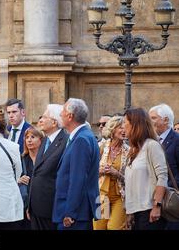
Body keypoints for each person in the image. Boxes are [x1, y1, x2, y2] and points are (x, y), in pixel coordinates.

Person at [53, 98, 100, 230]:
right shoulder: (83, 136)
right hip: (76, 212)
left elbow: (78, 179)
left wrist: (70, 212)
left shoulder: (81, 139)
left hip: (74, 215)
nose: (60, 114)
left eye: (62, 111)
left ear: (70, 116)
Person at [124, 108, 168, 230]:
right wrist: (129, 212)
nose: (123, 126)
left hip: (150, 211)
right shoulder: (133, 150)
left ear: (135, 124)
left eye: (125, 122)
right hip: (136, 213)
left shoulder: (152, 145)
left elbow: (162, 176)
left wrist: (157, 206)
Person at [28, 104, 68, 230]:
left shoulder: (66, 141)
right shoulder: (45, 140)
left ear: (54, 122)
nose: (40, 120)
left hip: (52, 209)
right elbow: (37, 173)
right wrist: (30, 205)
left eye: (44, 117)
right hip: (36, 208)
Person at [93, 116, 129, 230]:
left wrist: (116, 173)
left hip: (120, 197)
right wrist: (99, 171)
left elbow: (131, 179)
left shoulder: (129, 151)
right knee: (99, 227)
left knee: (115, 227)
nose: (124, 131)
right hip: (101, 196)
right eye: (120, 128)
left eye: (125, 128)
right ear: (112, 129)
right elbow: (88, 172)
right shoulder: (101, 147)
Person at [19, 127, 44, 229]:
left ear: (41, 140)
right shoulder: (21, 159)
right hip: (24, 205)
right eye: (27, 137)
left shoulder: (46, 158)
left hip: (42, 205)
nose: (29, 140)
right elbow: (10, 178)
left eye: (33, 137)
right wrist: (18, 180)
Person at [149, 104, 179, 188]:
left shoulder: (177, 140)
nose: (149, 121)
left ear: (165, 120)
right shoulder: (151, 141)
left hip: (170, 194)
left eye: (153, 118)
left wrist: (164, 188)